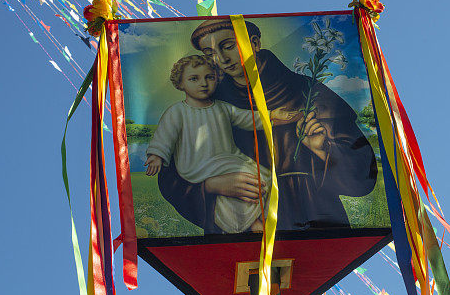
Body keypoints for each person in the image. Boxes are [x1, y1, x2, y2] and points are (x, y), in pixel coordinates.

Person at [156, 18, 377, 233]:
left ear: (255, 43)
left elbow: (362, 175)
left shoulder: (307, 92)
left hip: (311, 221)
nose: (221, 59)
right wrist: (211, 186)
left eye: (229, 46)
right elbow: (171, 177)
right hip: (239, 227)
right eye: (210, 53)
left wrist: (323, 149)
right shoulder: (209, 105)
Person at [145, 54, 297, 233]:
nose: (203, 83)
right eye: (194, 78)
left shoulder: (222, 107)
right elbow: (165, 135)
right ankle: (247, 224)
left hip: (229, 159)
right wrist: (156, 155)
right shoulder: (177, 112)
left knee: (262, 177)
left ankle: (257, 218)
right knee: (231, 189)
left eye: (209, 77)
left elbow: (247, 118)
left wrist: (271, 115)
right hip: (198, 165)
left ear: (217, 79)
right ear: (180, 83)